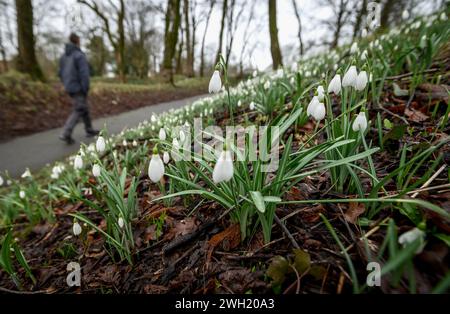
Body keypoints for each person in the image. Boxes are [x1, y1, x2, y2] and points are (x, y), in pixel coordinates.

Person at [58, 33, 98, 144]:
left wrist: (66, 83)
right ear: (77, 41)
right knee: (79, 108)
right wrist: (85, 87)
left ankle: (89, 129)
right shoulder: (79, 55)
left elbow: (60, 73)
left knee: (83, 107)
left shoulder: (63, 56)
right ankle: (66, 132)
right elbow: (84, 73)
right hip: (78, 87)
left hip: (69, 86)